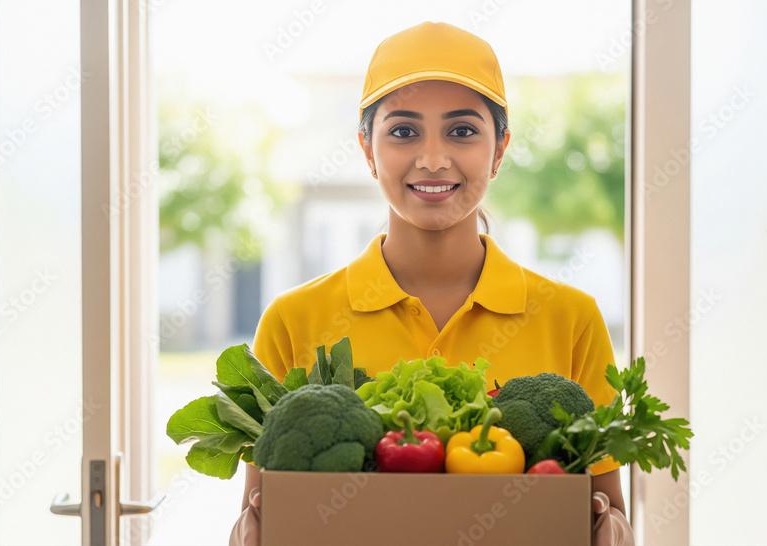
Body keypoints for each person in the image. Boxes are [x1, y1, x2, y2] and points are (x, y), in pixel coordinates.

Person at [232, 21, 633, 546]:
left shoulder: (571, 319)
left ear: (500, 149)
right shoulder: (294, 320)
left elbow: (608, 510)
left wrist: (612, 530)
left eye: (463, 131)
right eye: (403, 131)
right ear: (368, 150)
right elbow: (261, 515)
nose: (433, 158)